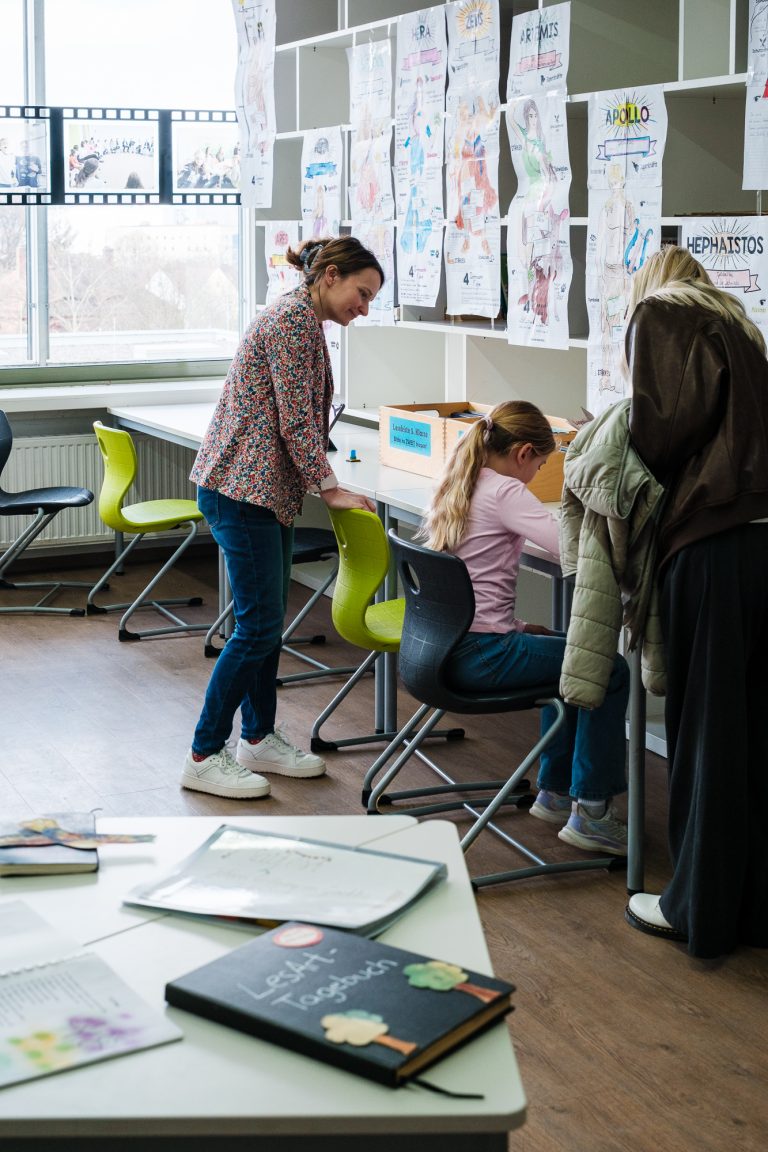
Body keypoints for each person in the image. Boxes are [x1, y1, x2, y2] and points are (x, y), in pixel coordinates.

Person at [183, 236, 384, 800]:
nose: (363, 308)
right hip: (242, 489)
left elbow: (295, 418)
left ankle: (258, 737)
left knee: (265, 624)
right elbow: (297, 422)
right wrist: (332, 488)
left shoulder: (302, 320)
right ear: (330, 276)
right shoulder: (294, 323)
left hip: (262, 490)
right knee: (257, 626)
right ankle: (203, 753)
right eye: (361, 293)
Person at [624, 245, 768, 958]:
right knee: (753, 733)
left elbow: (658, 434)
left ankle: (695, 908)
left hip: (711, 541)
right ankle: (750, 905)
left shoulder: (662, 314)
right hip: (763, 537)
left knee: (706, 731)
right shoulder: (741, 324)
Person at [419, 400, 630, 855]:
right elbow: (565, 548)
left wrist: (514, 623)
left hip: (444, 649)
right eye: (541, 463)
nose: (538, 473)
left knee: (571, 650)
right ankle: (592, 811)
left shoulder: (462, 477)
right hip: (481, 655)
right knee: (606, 668)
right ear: (524, 453)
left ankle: (556, 792)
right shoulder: (506, 492)